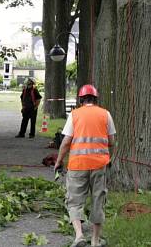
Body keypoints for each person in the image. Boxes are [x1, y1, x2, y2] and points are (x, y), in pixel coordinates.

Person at [54, 84, 115, 247]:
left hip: (77, 164)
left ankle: (79, 236)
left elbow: (66, 142)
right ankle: (95, 240)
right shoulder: (105, 114)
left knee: (74, 200)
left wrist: (59, 161)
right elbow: (112, 142)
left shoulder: (74, 115)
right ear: (96, 99)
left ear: (81, 99)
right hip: (99, 165)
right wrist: (109, 158)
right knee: (98, 200)